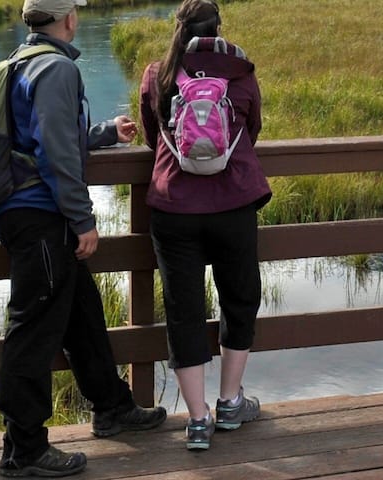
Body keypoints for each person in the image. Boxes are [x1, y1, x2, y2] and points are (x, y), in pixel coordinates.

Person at [0, 0, 167, 476]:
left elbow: (50, 137)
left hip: (27, 211)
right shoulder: (56, 69)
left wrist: (105, 133)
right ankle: (24, 449)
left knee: (81, 313)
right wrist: (82, 217)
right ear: (68, 18)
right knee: (32, 331)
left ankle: (112, 406)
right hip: (41, 216)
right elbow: (53, 149)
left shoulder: (21, 61)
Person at [136, 0, 270, 452]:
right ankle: (231, 402)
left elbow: (156, 136)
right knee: (240, 298)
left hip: (174, 208)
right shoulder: (240, 73)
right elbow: (250, 132)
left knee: (183, 309)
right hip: (233, 204)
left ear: (179, 30)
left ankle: (197, 420)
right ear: (219, 29)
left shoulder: (158, 74)